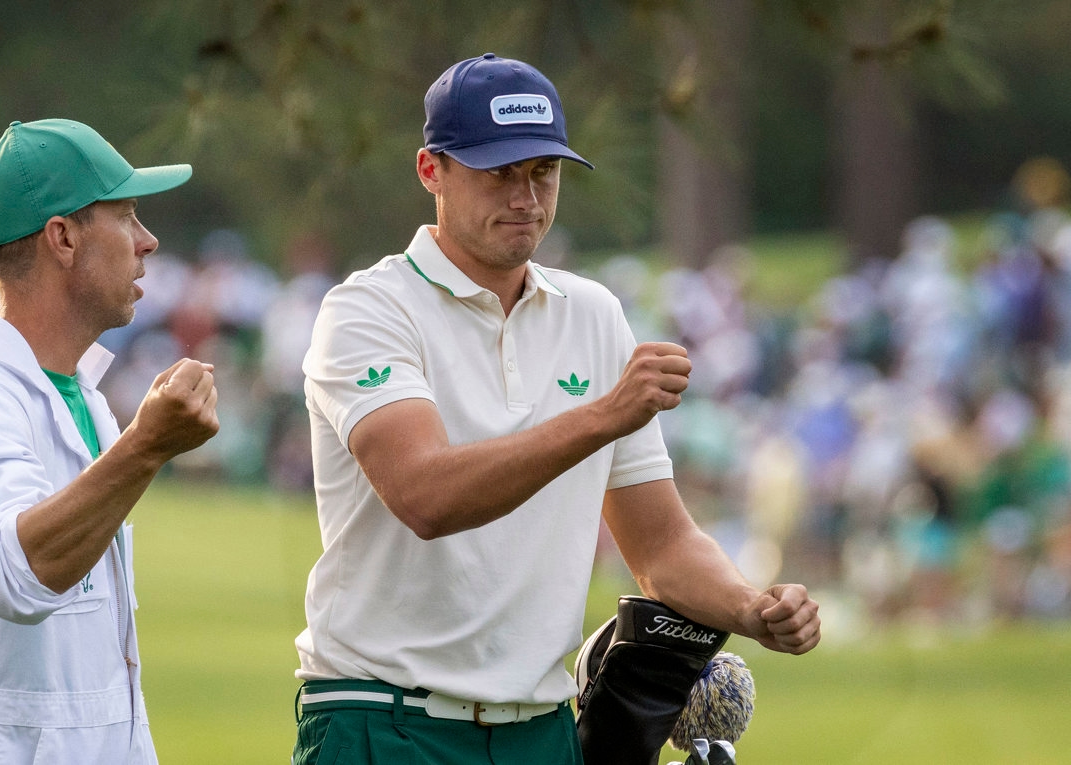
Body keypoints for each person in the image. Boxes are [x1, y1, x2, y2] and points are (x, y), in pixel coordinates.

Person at [291, 54, 821, 765]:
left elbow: (661, 546)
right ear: (430, 171)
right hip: (382, 717)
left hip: (540, 728)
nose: (526, 196)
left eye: (543, 171)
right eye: (498, 172)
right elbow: (426, 495)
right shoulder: (369, 309)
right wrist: (604, 414)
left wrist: (749, 606)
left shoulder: (594, 315)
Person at [0, 118, 219, 763]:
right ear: (63, 237)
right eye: (127, 215)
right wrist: (144, 447)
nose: (148, 241)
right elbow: (18, 576)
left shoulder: (83, 396)